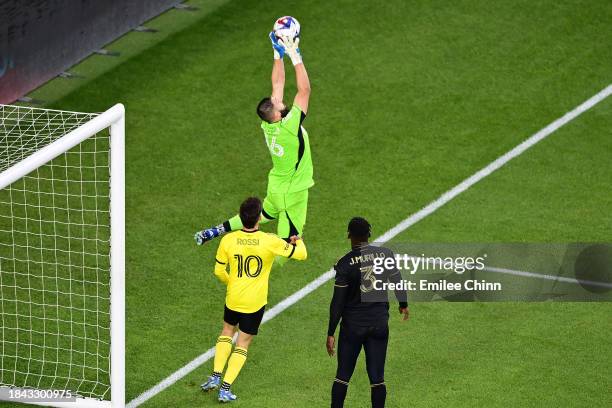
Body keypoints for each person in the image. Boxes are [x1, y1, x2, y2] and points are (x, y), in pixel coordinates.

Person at [195, 31, 313, 245]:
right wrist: (295, 57)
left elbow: (278, 84)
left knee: (262, 216)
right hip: (291, 193)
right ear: (277, 115)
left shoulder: (268, 124)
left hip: (277, 187)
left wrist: (277, 54)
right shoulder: (289, 126)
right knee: (288, 249)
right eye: (278, 103)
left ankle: (216, 230)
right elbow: (304, 90)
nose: (280, 100)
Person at [200, 197, 307, 402]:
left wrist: (232, 283)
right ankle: (225, 388)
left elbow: (218, 271)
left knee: (226, 332)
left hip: (233, 297)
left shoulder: (228, 240)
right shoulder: (270, 240)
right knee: (243, 343)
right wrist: (298, 240)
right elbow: (301, 255)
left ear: (241, 218)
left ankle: (214, 376)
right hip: (254, 303)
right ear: (259, 218)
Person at [327, 217, 409, 408]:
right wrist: (403, 304)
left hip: (352, 328)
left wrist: (331, 332)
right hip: (379, 325)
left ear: (349, 235)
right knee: (377, 379)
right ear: (369, 235)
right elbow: (398, 282)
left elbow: (337, 302)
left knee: (342, 377)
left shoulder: (345, 263)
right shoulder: (386, 255)